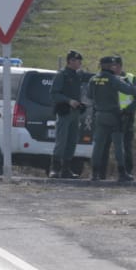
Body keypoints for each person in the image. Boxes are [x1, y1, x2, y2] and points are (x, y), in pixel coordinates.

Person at [86, 56, 136, 182]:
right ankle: (122, 173)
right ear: (108, 66)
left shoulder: (93, 79)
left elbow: (89, 96)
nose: (114, 67)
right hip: (114, 116)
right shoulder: (113, 79)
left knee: (98, 145)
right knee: (118, 145)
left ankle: (94, 174)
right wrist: (126, 81)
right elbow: (130, 90)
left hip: (99, 115)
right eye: (112, 65)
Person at [51, 50, 87, 179]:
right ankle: (55, 169)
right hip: (64, 112)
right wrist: (69, 100)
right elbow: (54, 93)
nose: (80, 63)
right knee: (61, 141)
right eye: (78, 61)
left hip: (75, 113)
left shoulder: (77, 75)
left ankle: (66, 169)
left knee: (72, 141)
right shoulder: (62, 75)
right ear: (71, 61)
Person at [116, 55, 136, 179]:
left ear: (121, 66)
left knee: (126, 145)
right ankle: (101, 173)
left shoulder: (130, 78)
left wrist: (128, 111)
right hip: (111, 115)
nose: (114, 68)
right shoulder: (108, 78)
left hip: (127, 117)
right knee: (105, 145)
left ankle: (128, 172)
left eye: (116, 65)